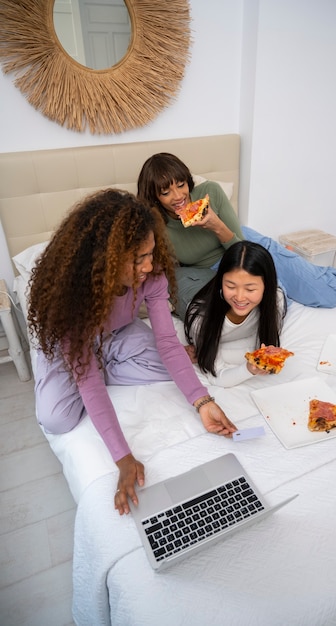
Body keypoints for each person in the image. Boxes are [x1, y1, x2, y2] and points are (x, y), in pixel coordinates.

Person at [27, 189, 236, 516]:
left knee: (176, 365)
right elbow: (89, 383)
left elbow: (167, 342)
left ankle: (105, 359)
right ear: (105, 259)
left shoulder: (153, 276)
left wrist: (203, 402)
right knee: (57, 419)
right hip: (74, 338)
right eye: (139, 258)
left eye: (151, 253)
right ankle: (88, 361)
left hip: (117, 333)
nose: (150, 265)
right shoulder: (71, 299)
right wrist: (123, 458)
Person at [137, 153, 336, 320]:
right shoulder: (156, 226)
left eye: (181, 185)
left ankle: (295, 265)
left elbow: (240, 246)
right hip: (210, 270)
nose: (178, 196)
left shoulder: (211, 192)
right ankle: (282, 276)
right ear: (154, 197)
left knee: (328, 294)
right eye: (166, 192)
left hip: (244, 245)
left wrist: (216, 226)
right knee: (272, 307)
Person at [184, 240, 287, 387]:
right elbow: (217, 376)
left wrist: (218, 351)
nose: (239, 297)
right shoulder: (200, 318)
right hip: (185, 290)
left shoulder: (276, 299)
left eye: (250, 289)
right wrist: (247, 369)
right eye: (230, 286)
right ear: (220, 282)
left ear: (267, 287)